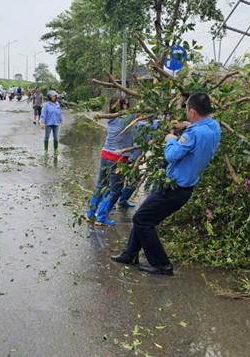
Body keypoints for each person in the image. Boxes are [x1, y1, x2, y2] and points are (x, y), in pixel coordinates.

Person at [110, 92, 221, 276]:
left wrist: (170, 139)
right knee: (143, 215)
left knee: (142, 220)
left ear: (192, 112)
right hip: (183, 187)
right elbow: (201, 127)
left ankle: (161, 264)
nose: (185, 113)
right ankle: (130, 254)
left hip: (174, 188)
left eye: (186, 110)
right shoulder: (213, 126)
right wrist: (185, 125)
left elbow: (171, 155)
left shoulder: (192, 134)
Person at [85, 96, 137, 226]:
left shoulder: (111, 118)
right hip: (117, 158)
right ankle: (101, 217)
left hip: (105, 154)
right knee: (116, 190)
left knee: (100, 186)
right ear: (124, 106)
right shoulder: (128, 119)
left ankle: (90, 214)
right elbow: (142, 111)